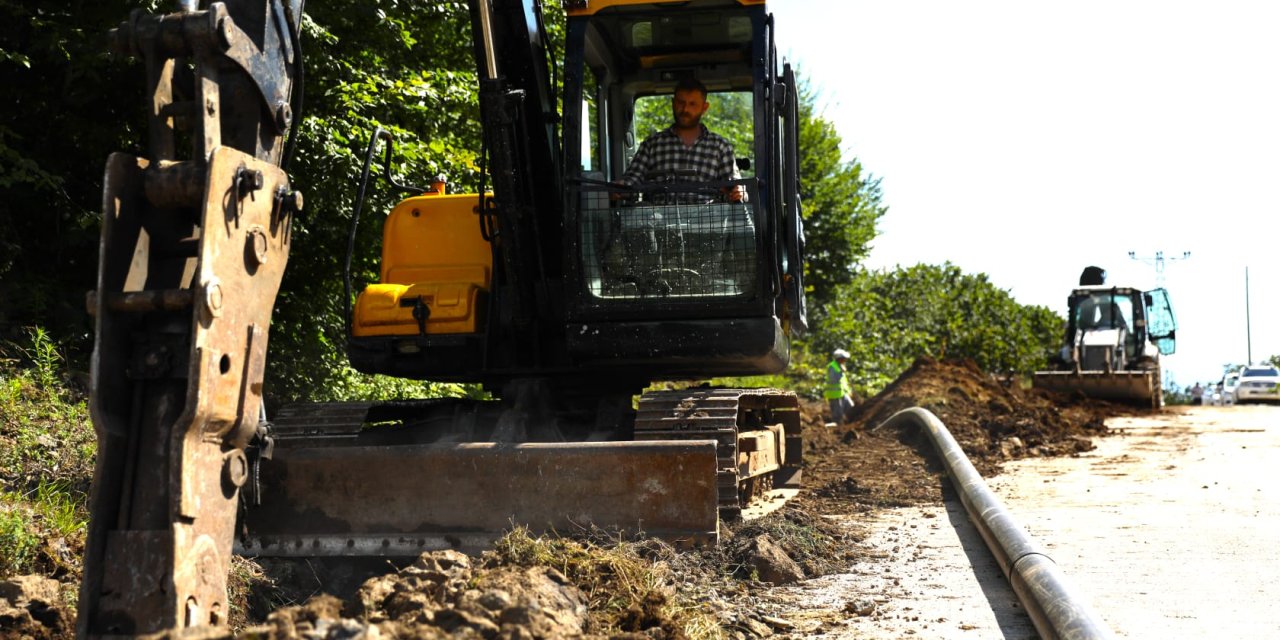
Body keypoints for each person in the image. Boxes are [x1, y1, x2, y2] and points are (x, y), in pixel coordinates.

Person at [616, 77, 745, 203]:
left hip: (707, 223)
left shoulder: (720, 147)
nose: (685, 109)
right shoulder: (652, 144)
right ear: (673, 103)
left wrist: (738, 191)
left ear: (704, 108)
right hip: (658, 222)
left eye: (692, 104)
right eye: (681, 102)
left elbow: (735, 185)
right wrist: (620, 188)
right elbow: (633, 179)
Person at [824, 348, 856, 425]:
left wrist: (848, 390)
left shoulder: (840, 366)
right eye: (844, 358)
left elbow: (843, 381)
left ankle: (849, 423)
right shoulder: (832, 366)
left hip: (842, 393)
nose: (845, 360)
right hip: (835, 394)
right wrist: (841, 373)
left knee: (851, 407)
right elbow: (833, 379)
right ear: (840, 358)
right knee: (837, 415)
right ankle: (837, 429)